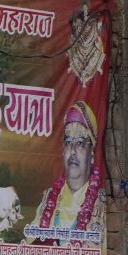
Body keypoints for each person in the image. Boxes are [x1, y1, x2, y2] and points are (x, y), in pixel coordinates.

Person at [24, 100, 106, 239]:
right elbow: (30, 244)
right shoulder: (48, 199)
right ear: (63, 151)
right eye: (68, 143)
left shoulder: (101, 204)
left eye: (80, 143)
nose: (72, 151)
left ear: (91, 153)